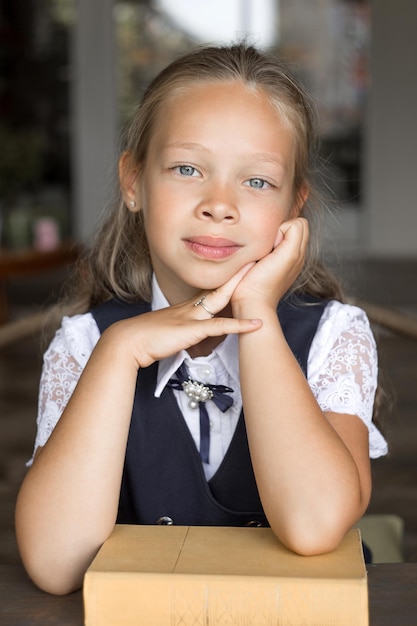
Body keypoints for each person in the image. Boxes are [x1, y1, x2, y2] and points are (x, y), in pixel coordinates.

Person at [15, 42, 387, 595]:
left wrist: (257, 312)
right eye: (188, 168)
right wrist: (118, 354)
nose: (220, 203)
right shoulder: (86, 342)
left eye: (257, 181)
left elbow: (313, 525)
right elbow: (56, 565)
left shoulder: (334, 334)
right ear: (134, 182)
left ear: (294, 207)